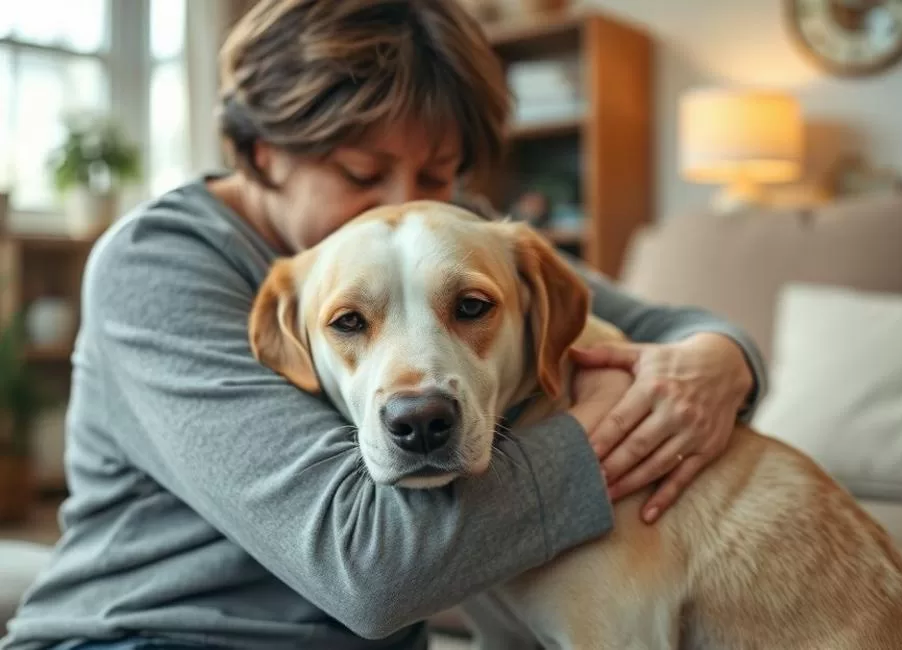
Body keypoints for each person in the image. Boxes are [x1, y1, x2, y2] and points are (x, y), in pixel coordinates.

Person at [0, 1, 766, 649]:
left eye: (438, 174)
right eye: (362, 174)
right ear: (264, 150)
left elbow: (669, 322)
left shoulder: (436, 239)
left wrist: (718, 364)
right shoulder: (156, 266)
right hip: (145, 634)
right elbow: (366, 568)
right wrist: (600, 436)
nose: (395, 207)